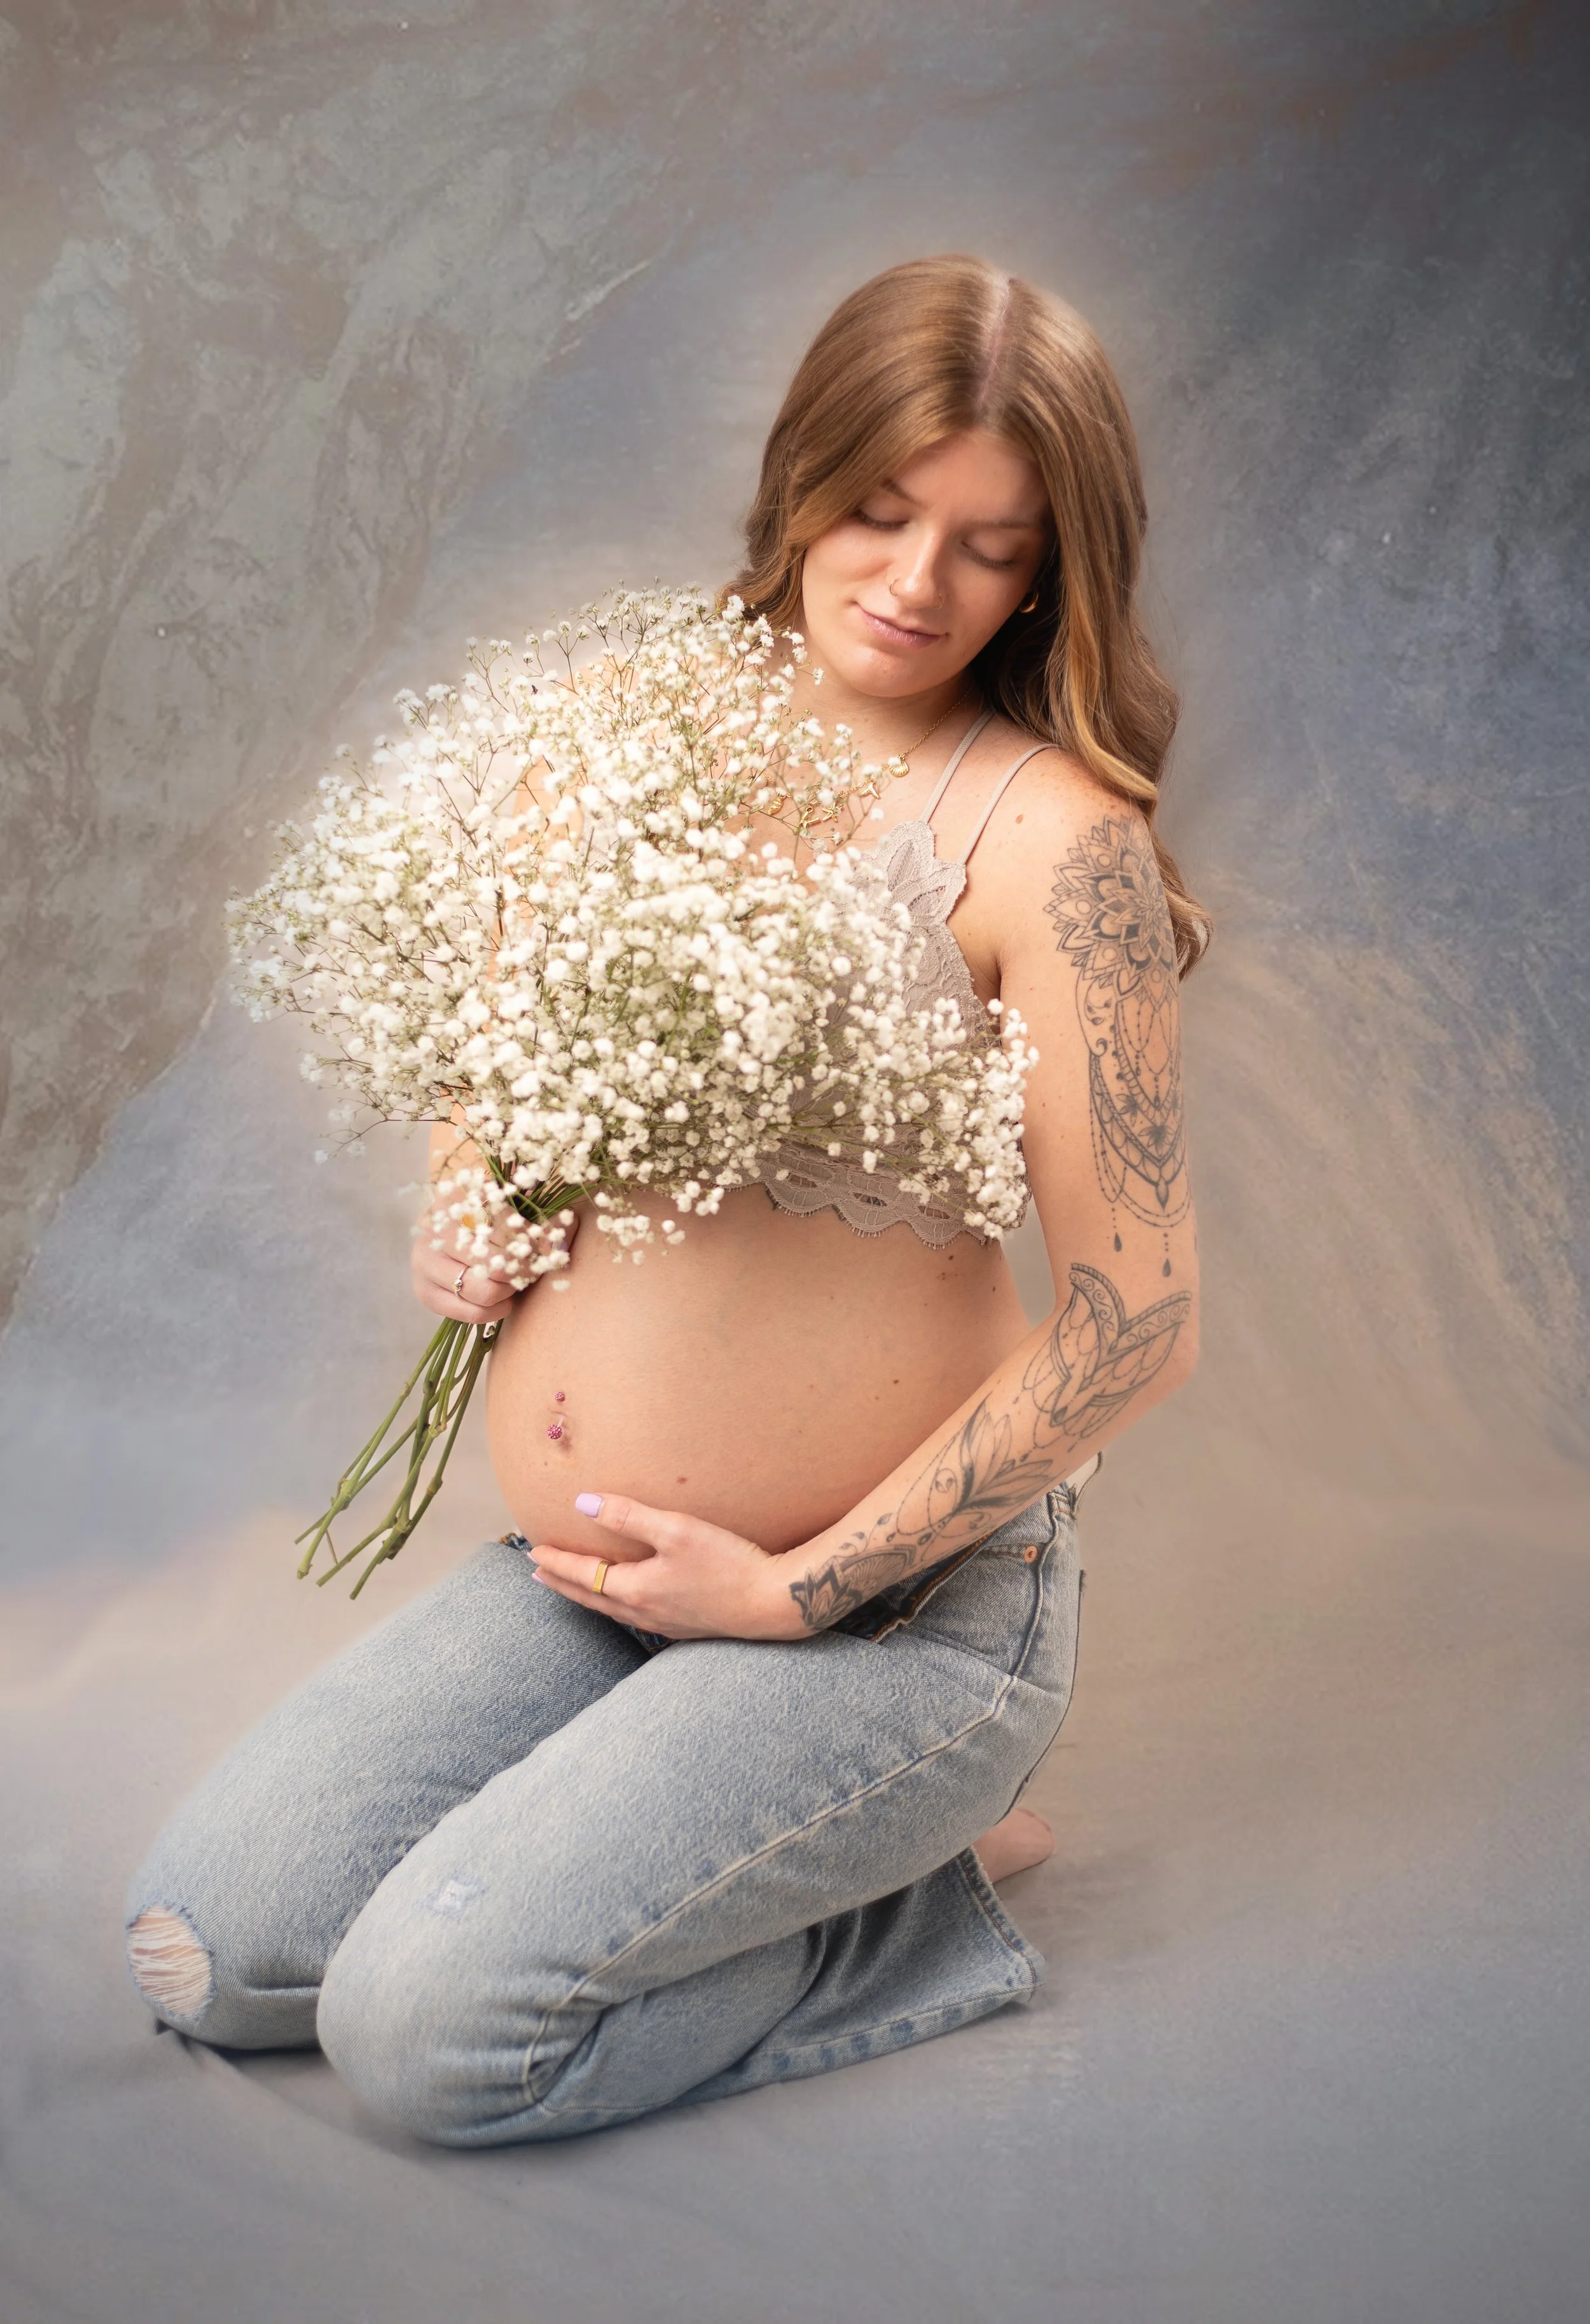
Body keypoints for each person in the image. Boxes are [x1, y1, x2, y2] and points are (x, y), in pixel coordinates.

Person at [125, 254, 1206, 2144]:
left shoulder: (1053, 843)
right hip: (591, 1588)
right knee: (206, 1958)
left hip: (880, 1619)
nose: (915, 581)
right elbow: (500, 1059)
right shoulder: (617, 726)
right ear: (800, 477)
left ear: (1049, 574)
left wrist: (795, 1590)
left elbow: (1142, 1319)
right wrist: (464, 1197)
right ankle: (695, 1837)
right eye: (877, 511)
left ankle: (898, 1889)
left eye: (990, 548)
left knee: (423, 2042)